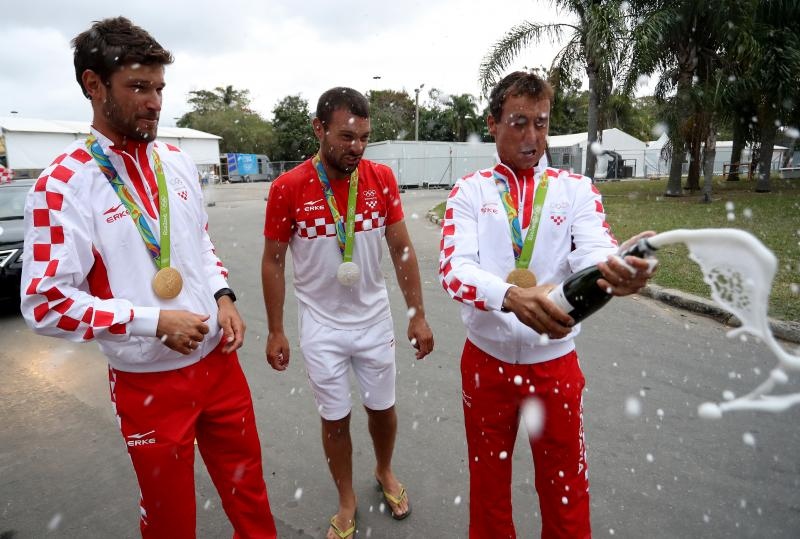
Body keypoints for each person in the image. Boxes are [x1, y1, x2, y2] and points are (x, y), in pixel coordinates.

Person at [20, 17, 277, 538]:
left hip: (219, 365)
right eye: (138, 87)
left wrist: (224, 296)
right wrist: (151, 322)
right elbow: (44, 303)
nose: (156, 102)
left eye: (159, 87)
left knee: (250, 499)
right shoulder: (62, 184)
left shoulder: (175, 161)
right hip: (148, 383)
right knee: (170, 520)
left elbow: (198, 243)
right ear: (94, 86)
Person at [438, 71, 656, 538]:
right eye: (519, 122)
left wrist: (617, 266)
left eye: (541, 123)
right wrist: (510, 296)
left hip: (555, 366)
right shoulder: (470, 190)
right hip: (486, 362)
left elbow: (595, 248)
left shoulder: (574, 188)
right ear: (493, 123)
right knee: (489, 486)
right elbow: (454, 270)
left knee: (566, 488)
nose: (532, 136)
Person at [262, 87, 434, 539]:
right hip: (321, 328)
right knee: (334, 418)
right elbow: (272, 261)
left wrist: (417, 314)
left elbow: (401, 250)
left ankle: (383, 471)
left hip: (374, 322)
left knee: (383, 409)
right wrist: (276, 329)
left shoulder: (381, 179)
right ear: (319, 129)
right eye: (346, 136)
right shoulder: (288, 188)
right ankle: (346, 497)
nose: (357, 147)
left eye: (363, 137)